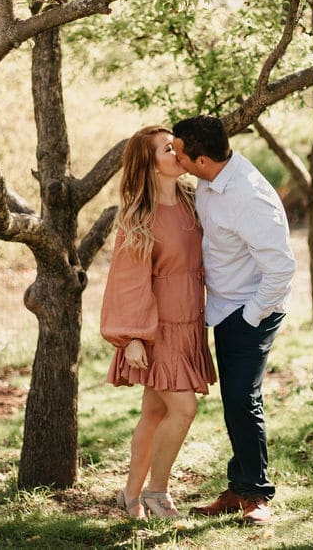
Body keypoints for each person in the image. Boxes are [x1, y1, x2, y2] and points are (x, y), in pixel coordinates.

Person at [171, 115, 296, 526]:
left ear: (201, 159)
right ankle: (238, 485)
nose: (175, 156)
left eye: (179, 152)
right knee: (235, 401)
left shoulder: (249, 197)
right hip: (225, 308)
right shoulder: (209, 180)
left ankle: (258, 495)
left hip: (250, 310)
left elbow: (281, 269)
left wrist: (249, 317)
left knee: (244, 399)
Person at [101, 125, 217, 519]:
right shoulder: (138, 216)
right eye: (169, 149)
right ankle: (157, 491)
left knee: (154, 413)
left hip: (190, 324)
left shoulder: (193, 199)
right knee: (182, 410)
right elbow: (127, 281)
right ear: (149, 163)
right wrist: (132, 336)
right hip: (156, 330)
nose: (178, 153)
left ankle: (130, 497)